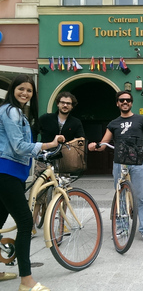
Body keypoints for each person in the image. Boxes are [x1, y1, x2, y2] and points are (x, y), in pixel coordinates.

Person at [0, 75, 65, 291]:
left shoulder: (19, 112)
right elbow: (19, 146)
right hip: (6, 172)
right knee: (26, 223)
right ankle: (26, 281)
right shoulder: (11, 111)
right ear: (13, 90)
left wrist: (38, 150)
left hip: (12, 172)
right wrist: (48, 144)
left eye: (29, 90)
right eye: (21, 89)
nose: (25, 93)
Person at [88, 91, 143, 244]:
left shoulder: (140, 119)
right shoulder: (113, 123)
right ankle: (122, 227)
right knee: (120, 196)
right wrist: (95, 146)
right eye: (121, 100)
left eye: (128, 100)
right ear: (117, 103)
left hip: (137, 163)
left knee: (142, 197)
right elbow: (103, 144)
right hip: (119, 162)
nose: (125, 102)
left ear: (131, 103)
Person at [33, 91, 85, 235]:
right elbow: (33, 132)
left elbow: (81, 139)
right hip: (44, 158)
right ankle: (31, 224)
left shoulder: (75, 122)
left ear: (72, 106)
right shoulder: (45, 118)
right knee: (38, 194)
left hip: (64, 161)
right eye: (62, 102)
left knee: (63, 193)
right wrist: (34, 148)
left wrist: (68, 143)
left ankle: (62, 224)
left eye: (68, 103)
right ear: (58, 103)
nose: (65, 105)